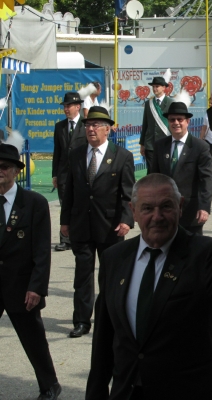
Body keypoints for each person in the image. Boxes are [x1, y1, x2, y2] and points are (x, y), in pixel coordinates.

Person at [86, 173, 212, 399]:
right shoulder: (114, 258)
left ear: (180, 206)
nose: (157, 216)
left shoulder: (205, 253)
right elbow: (104, 339)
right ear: (133, 211)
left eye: (166, 206)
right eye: (147, 208)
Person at [60, 106, 135, 338]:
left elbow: (128, 193)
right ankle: (82, 320)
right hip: (81, 224)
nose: (90, 129)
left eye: (95, 125)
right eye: (88, 125)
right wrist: (65, 221)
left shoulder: (122, 156)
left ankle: (111, 318)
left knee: (111, 276)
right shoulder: (76, 154)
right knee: (82, 275)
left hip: (110, 226)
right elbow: (70, 190)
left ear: (107, 129)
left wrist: (127, 220)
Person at [0, 143, 62, 400]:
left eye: (5, 167)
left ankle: (50, 385)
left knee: (33, 340)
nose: (0, 171)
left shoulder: (34, 203)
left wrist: (37, 287)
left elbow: (42, 251)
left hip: (21, 286)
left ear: (16, 171)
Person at [151, 101, 212, 235]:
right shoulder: (160, 145)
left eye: (180, 119)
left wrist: (204, 207)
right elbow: (153, 178)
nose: (176, 123)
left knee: (192, 247)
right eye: (172, 119)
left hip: (190, 212)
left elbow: (206, 180)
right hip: (164, 212)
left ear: (187, 121)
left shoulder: (200, 147)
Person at [52, 92, 87, 252]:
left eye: (69, 106)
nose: (66, 109)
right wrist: (55, 174)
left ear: (78, 107)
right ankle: (65, 239)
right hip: (64, 174)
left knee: (79, 205)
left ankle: (78, 236)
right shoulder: (59, 126)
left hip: (80, 173)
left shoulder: (85, 126)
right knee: (65, 205)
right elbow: (57, 152)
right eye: (65, 106)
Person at [140, 76, 172, 173]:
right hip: (150, 143)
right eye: (153, 86)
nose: (154, 88)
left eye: (157, 86)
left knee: (164, 169)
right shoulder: (148, 103)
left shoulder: (170, 103)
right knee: (152, 171)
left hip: (166, 142)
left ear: (164, 87)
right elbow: (145, 124)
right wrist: (142, 144)